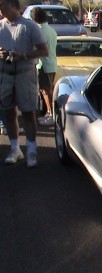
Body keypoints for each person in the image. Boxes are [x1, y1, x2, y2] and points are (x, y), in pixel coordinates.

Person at [0, 0, 48, 167]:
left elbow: (44, 50)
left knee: (28, 113)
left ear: (13, 5)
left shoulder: (30, 26)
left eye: (2, 4)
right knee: (9, 113)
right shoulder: (0, 26)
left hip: (25, 75)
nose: (0, 8)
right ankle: (15, 149)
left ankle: (32, 151)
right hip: (6, 75)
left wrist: (23, 55)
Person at [32, 7, 57, 126]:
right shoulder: (52, 30)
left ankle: (51, 114)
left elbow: (38, 48)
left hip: (44, 65)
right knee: (45, 90)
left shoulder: (40, 31)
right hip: (51, 64)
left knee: (46, 91)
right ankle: (48, 112)